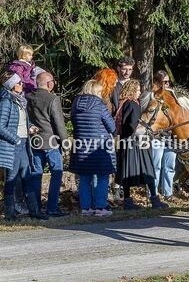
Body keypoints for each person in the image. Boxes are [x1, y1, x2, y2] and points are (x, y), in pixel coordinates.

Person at [114, 80, 164, 209]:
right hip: (137, 142)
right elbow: (133, 125)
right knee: (148, 170)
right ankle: (154, 200)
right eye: (137, 90)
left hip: (124, 141)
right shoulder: (133, 104)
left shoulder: (122, 103)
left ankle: (127, 201)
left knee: (126, 173)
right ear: (131, 91)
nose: (139, 92)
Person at [0, 73, 44, 220]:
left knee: (27, 177)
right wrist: (16, 139)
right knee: (12, 179)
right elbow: (1, 126)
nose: (22, 85)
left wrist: (30, 127)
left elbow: (21, 122)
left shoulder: (19, 101)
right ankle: (10, 213)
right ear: (12, 85)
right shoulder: (6, 102)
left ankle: (34, 211)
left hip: (24, 144)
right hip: (14, 146)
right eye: (19, 83)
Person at [70, 79, 116, 216]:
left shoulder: (75, 103)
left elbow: (74, 122)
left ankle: (86, 208)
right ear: (96, 91)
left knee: (84, 178)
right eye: (100, 92)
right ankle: (100, 207)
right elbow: (111, 126)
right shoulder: (99, 104)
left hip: (81, 146)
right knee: (102, 177)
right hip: (99, 148)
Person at [27, 71, 68, 216]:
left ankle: (36, 208)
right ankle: (52, 207)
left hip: (35, 141)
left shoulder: (28, 97)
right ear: (49, 84)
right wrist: (65, 143)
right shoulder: (52, 99)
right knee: (56, 174)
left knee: (36, 175)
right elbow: (59, 124)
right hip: (51, 142)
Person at [150, 71, 177, 200]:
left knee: (169, 166)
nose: (166, 84)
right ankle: (153, 193)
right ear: (157, 82)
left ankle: (168, 192)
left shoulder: (172, 95)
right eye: (164, 82)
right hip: (157, 135)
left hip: (171, 135)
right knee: (156, 165)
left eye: (168, 82)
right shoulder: (153, 96)